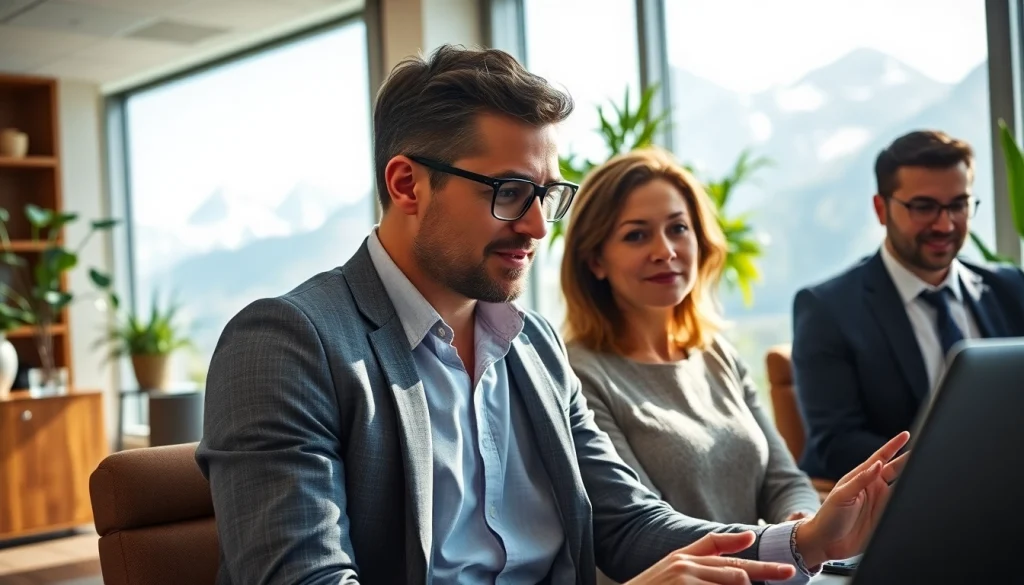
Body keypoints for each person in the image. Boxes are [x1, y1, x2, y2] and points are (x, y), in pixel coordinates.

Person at [196, 44, 907, 585]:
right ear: (407, 183)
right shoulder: (291, 343)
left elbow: (628, 522)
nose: (538, 228)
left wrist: (809, 540)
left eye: (547, 194)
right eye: (509, 191)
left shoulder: (529, 343)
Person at [561, 148, 821, 584]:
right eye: (636, 236)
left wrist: (802, 522)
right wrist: (792, 542)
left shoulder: (716, 352)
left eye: (678, 228)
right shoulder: (578, 373)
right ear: (595, 261)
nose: (665, 251)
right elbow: (642, 530)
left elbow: (785, 479)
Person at [792, 129, 1024, 481]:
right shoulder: (827, 309)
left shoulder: (1010, 287)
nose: (944, 224)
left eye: (958, 204)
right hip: (908, 503)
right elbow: (836, 445)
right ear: (881, 209)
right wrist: (959, 462)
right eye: (923, 207)